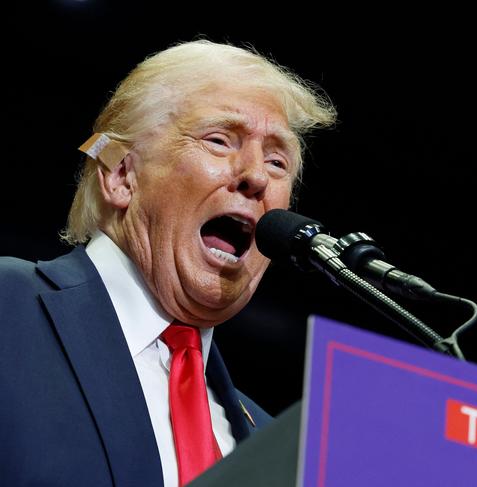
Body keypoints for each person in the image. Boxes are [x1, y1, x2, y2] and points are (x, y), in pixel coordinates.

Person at [0, 40, 336, 487]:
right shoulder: (9, 306)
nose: (257, 176)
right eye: (219, 140)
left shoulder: (272, 440)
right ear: (121, 175)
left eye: (278, 162)